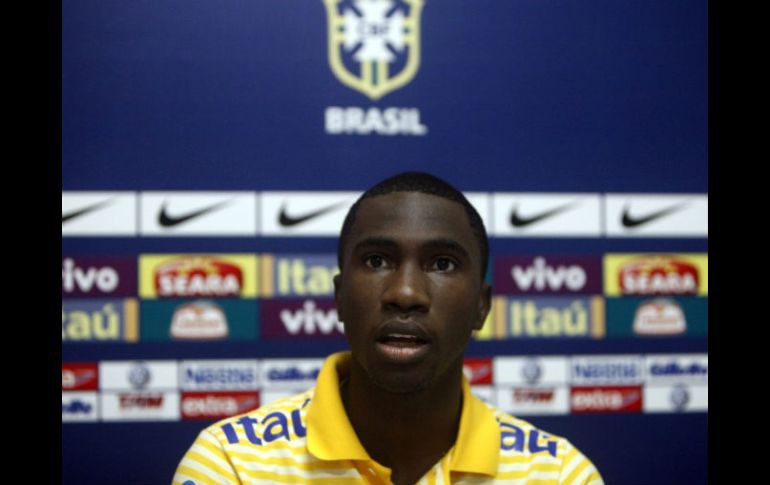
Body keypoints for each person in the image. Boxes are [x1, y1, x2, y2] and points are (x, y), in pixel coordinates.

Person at [172, 172, 604, 485]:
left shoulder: (558, 474)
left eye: (442, 264)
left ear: (480, 306)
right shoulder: (230, 464)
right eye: (377, 260)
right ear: (340, 297)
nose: (405, 292)